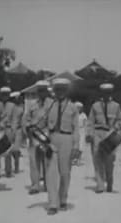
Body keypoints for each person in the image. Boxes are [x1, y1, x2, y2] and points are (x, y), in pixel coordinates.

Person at [46, 78, 79, 215]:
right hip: (52, 138)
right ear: (54, 91)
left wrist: (76, 145)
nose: (60, 92)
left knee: (65, 172)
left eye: (62, 89)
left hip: (67, 138)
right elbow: (41, 122)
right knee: (50, 172)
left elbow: (76, 127)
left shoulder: (73, 107)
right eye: (57, 89)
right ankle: (53, 203)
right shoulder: (50, 105)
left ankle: (63, 199)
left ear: (67, 90)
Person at [86, 83, 121, 193]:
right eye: (104, 92)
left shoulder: (116, 106)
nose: (106, 94)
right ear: (101, 93)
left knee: (110, 160)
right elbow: (91, 121)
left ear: (111, 92)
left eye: (108, 92)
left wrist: (116, 130)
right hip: (98, 132)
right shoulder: (95, 105)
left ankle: (109, 182)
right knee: (97, 159)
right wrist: (90, 134)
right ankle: (100, 185)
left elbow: (119, 120)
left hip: (110, 133)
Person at [24, 80, 52, 195]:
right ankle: (35, 185)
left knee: (48, 161)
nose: (41, 93)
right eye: (39, 91)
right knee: (34, 161)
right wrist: (27, 127)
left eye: (43, 91)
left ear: (47, 91)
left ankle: (48, 184)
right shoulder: (32, 105)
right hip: (34, 135)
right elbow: (26, 119)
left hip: (46, 134)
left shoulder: (52, 104)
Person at [0, 86, 15, 177]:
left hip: (8, 128)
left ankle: (8, 170)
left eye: (6, 94)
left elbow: (14, 119)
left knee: (8, 151)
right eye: (3, 94)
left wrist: (13, 131)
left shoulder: (12, 105)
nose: (5, 96)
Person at [11, 91, 24, 173]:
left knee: (15, 150)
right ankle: (13, 168)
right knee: (11, 150)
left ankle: (16, 168)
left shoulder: (21, 108)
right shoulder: (14, 108)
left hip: (17, 130)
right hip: (12, 129)